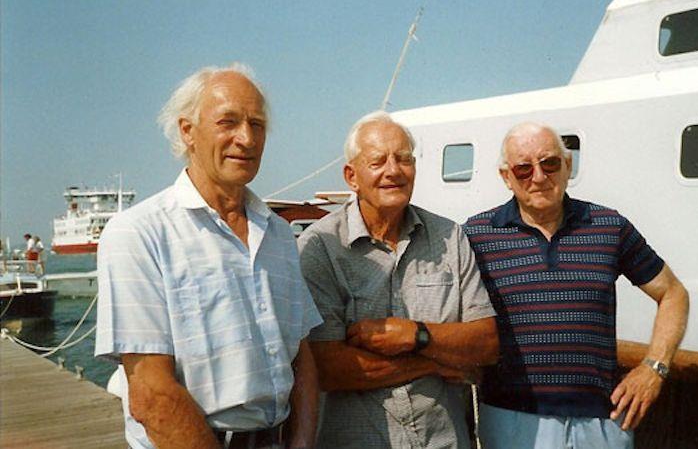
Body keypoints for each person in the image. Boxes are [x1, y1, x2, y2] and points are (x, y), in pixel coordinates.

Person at [95, 64, 322, 449]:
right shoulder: (140, 232)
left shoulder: (279, 235)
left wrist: (300, 443)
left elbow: (301, 358)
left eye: (257, 124)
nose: (246, 138)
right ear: (188, 131)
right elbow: (151, 393)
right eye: (228, 122)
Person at [463, 122, 690, 449]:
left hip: (603, 420)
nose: (539, 177)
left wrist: (654, 367)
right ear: (506, 177)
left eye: (550, 163)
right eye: (523, 168)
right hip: (512, 418)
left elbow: (672, 293)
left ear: (568, 165)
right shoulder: (478, 234)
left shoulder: (608, 226)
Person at [298, 111, 499, 448]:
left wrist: (415, 334)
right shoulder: (320, 247)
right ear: (352, 176)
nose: (393, 170)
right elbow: (327, 367)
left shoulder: (450, 237)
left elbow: (487, 344)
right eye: (378, 161)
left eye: (404, 159)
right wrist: (432, 362)